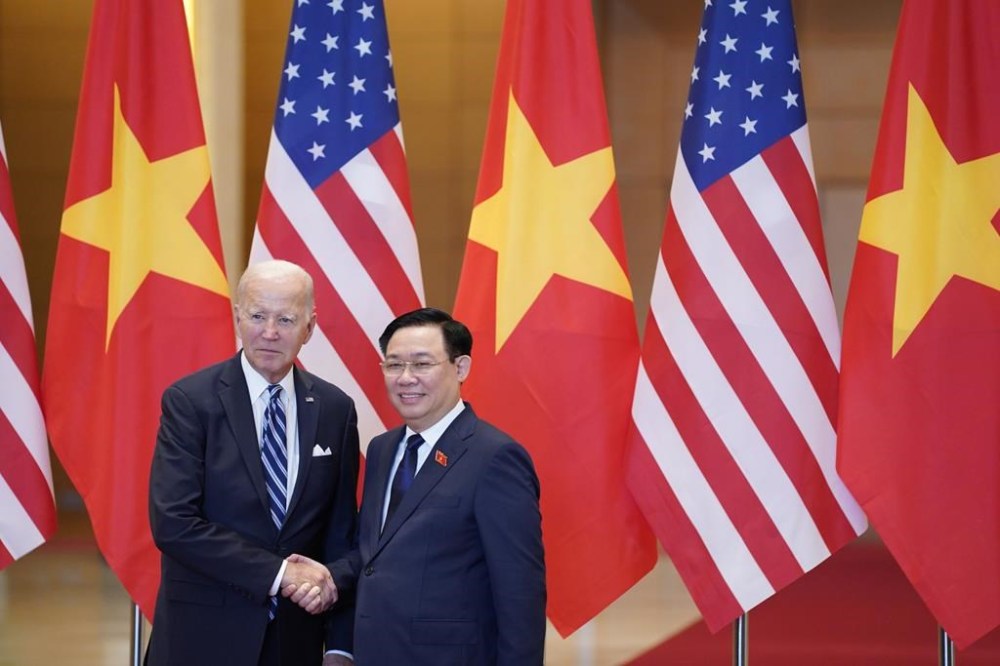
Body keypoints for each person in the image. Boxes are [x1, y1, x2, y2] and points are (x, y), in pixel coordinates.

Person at [146, 260, 359, 666]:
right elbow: (174, 523)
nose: (270, 332)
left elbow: (341, 534)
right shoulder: (191, 401)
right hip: (203, 638)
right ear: (238, 317)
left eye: (286, 319)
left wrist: (340, 642)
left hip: (297, 641)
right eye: (258, 316)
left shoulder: (336, 409)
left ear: (310, 327)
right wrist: (281, 574)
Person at [316, 307, 547, 665]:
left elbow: (520, 593)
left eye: (422, 364)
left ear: (461, 368)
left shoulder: (495, 457)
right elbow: (372, 556)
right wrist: (328, 597)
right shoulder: (382, 449)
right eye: (394, 365)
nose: (406, 378)